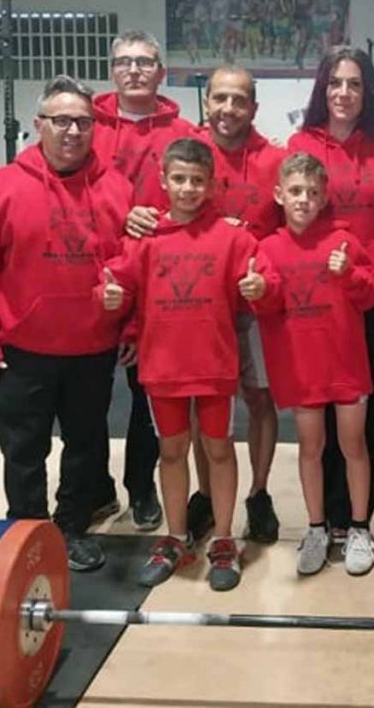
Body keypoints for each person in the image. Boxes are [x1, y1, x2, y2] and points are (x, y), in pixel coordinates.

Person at [0, 75, 132, 572]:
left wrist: (130, 326)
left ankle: (71, 527)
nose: (73, 131)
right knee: (23, 449)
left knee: (85, 445)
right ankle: (27, 529)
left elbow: (134, 268)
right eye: (62, 121)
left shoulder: (117, 190)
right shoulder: (1, 189)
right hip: (23, 349)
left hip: (92, 348)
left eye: (83, 122)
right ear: (39, 125)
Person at [125, 65, 284, 546]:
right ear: (207, 102)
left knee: (258, 399)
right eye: (220, 98)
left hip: (252, 296)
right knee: (197, 410)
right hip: (195, 305)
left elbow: (295, 222)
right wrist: (134, 216)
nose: (229, 108)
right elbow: (151, 217)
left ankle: (257, 493)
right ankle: (206, 497)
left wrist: (260, 268)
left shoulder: (275, 159)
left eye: (239, 100)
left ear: (253, 107)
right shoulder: (184, 151)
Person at [101, 137, 258, 591]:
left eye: (197, 180)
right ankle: (175, 536)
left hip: (214, 365)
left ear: (211, 184)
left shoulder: (233, 236)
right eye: (179, 179)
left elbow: (261, 275)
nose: (188, 188)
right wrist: (108, 296)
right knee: (171, 451)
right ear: (163, 181)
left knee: (219, 449)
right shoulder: (145, 240)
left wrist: (260, 285)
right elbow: (115, 281)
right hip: (163, 368)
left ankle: (224, 538)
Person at [287, 46, 374, 544]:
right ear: (322, 87)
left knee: (370, 413)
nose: (344, 92)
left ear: (368, 91)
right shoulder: (300, 143)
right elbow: (286, 214)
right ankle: (325, 516)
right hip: (321, 299)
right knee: (323, 409)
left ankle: (358, 520)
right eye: (335, 82)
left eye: (354, 83)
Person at [245, 153, 374, 575]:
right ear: (278, 195)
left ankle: (359, 528)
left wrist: (349, 274)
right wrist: (257, 290)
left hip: (345, 364)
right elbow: (268, 302)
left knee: (353, 445)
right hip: (301, 367)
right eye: (295, 191)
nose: (303, 199)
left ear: (324, 198)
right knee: (311, 448)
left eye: (311, 192)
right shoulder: (267, 248)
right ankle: (316, 528)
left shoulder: (344, 242)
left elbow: (373, 292)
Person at [91, 29, 197, 533]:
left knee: (146, 396)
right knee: (85, 399)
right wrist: (120, 218)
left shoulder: (184, 134)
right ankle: (93, 488)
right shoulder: (84, 127)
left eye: (145, 62)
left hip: (156, 285)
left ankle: (141, 486)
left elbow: (198, 197)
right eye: (124, 61)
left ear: (161, 71)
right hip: (90, 278)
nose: (134, 69)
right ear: (112, 69)